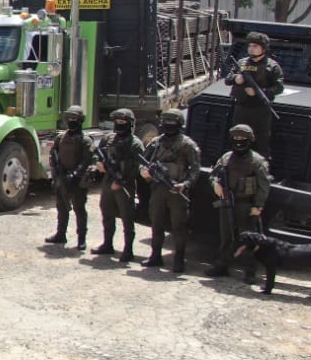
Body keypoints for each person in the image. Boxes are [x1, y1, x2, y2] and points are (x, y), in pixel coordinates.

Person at [206, 124, 272, 282]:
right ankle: (222, 265)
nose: (239, 141)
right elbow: (213, 174)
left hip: (246, 205)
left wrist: (258, 206)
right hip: (227, 203)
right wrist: (215, 183)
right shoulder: (226, 158)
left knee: (247, 239)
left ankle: (249, 271)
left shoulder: (257, 161)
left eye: (242, 139)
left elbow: (264, 185)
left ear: (249, 140)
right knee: (225, 237)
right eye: (236, 138)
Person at [139, 107, 201, 272]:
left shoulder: (188, 145)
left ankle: (179, 260)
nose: (169, 126)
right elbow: (143, 161)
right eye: (166, 123)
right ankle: (155, 256)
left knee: (178, 227)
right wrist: (143, 171)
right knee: (156, 223)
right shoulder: (156, 142)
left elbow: (195, 170)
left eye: (172, 123)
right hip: (158, 189)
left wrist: (185, 184)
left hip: (177, 191)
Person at [90, 108, 144, 262]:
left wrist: (122, 181)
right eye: (117, 122)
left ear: (130, 124)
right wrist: (98, 164)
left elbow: (139, 168)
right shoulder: (108, 139)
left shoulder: (135, 144)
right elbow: (97, 155)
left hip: (125, 185)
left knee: (127, 218)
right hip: (108, 182)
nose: (119, 125)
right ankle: (107, 244)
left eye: (122, 122)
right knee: (107, 214)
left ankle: (128, 250)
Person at [224, 31, 283, 161]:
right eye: (250, 46)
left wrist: (259, 91)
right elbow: (227, 79)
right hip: (241, 107)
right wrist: (235, 78)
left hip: (260, 109)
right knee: (236, 136)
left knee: (261, 141)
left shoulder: (272, 66)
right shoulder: (241, 63)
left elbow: (278, 88)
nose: (251, 48)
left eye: (255, 46)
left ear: (263, 48)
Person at [45, 105, 95, 249]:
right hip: (62, 177)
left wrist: (75, 175)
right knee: (62, 207)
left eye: (74, 119)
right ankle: (61, 235)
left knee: (79, 209)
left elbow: (87, 161)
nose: (71, 121)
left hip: (77, 181)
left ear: (80, 120)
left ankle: (81, 239)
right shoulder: (61, 137)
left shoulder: (85, 140)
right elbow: (53, 154)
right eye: (69, 119)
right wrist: (56, 171)